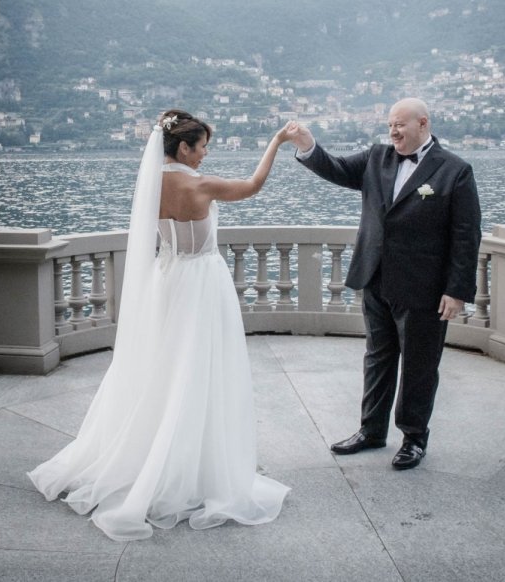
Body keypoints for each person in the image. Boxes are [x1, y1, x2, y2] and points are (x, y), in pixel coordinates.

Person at [29, 110, 296, 540]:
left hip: (166, 278)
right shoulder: (197, 184)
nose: (206, 154)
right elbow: (253, 186)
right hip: (201, 282)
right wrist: (276, 143)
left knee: (164, 369)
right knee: (201, 370)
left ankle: (156, 454)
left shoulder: (151, 183)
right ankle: (193, 467)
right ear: (183, 147)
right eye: (202, 146)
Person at [291, 97, 481, 470]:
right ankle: (371, 430)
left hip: (424, 287)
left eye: (400, 124)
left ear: (423, 123)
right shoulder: (376, 157)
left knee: (419, 365)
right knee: (377, 359)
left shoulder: (455, 170)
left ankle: (413, 437)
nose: (393, 131)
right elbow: (335, 168)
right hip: (375, 277)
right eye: (390, 125)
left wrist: (457, 290)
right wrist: (307, 146)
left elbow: (466, 235)